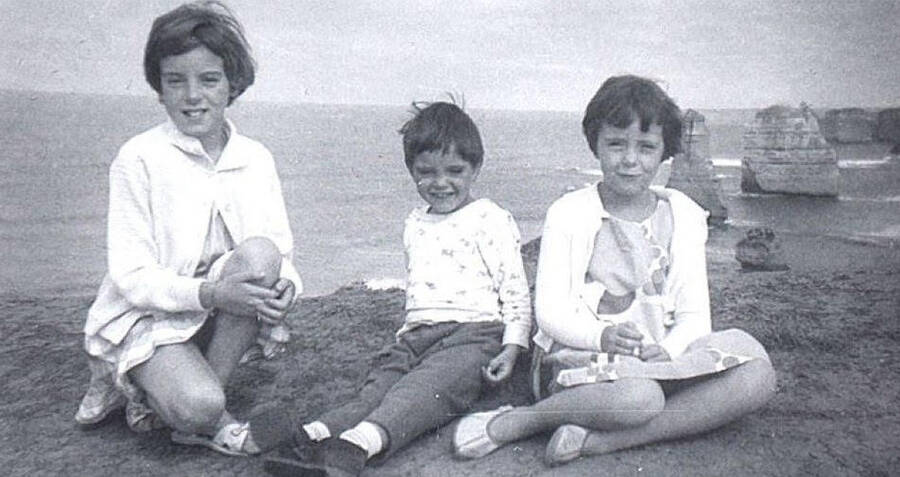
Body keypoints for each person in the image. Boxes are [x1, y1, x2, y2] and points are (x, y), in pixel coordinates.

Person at [453, 75, 777, 466]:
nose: (630, 159)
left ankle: (598, 443)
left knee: (757, 374)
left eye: (646, 147)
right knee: (638, 398)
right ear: (596, 145)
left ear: (663, 152)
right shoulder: (570, 212)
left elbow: (695, 316)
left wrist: (668, 352)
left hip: (660, 363)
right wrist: (602, 336)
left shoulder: (685, 215)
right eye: (616, 144)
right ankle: (523, 421)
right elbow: (551, 313)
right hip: (581, 357)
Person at [74, 0, 301, 457]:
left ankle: (183, 404)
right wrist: (214, 295)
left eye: (209, 79)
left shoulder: (254, 157)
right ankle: (188, 404)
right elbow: (131, 277)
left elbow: (279, 252)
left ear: (232, 84)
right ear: (159, 86)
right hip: (151, 316)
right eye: (175, 80)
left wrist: (285, 290)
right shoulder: (139, 158)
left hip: (221, 317)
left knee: (260, 254)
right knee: (200, 405)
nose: (192, 95)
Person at [257, 102, 532, 476]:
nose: (440, 182)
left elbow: (515, 289)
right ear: (411, 171)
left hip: (475, 334)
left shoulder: (490, 218)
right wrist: (410, 337)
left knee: (425, 388)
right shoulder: (414, 223)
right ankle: (313, 435)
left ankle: (360, 444)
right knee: (377, 387)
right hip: (415, 335)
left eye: (455, 171)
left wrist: (513, 347)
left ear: (476, 168)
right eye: (426, 172)